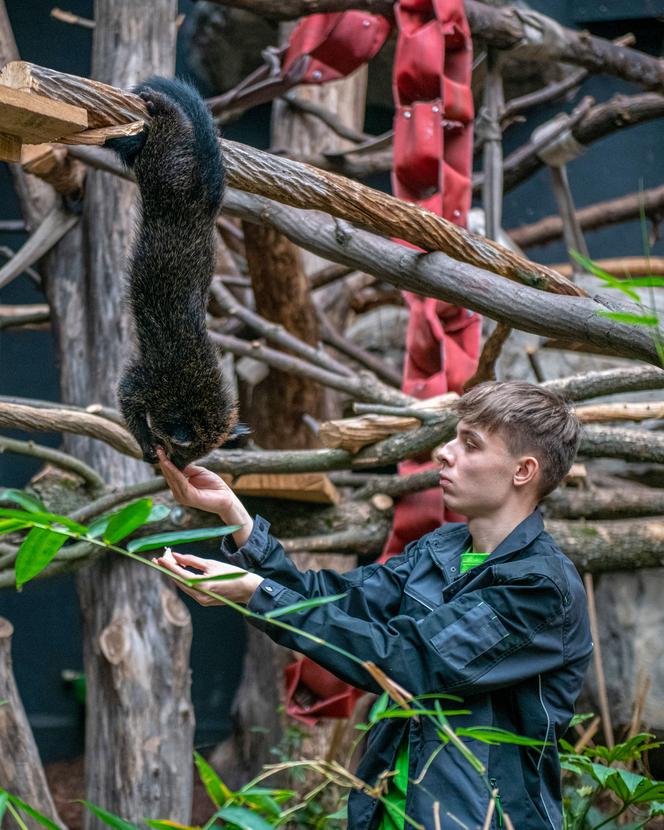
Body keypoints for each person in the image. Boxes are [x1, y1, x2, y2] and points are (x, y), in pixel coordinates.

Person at [156, 380, 592, 830]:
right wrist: (238, 518)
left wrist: (256, 593)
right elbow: (336, 601)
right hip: (389, 810)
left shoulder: (540, 588)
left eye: (470, 444)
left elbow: (409, 661)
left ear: (523, 471)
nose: (444, 452)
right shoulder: (440, 549)